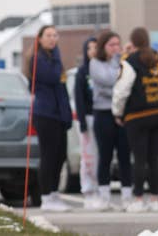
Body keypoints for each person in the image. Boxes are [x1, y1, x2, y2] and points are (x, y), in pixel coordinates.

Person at [112, 27, 158, 213]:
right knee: (154, 158)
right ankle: (154, 198)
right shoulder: (157, 59)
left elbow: (122, 90)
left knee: (139, 158)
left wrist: (117, 113)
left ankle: (137, 199)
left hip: (137, 115)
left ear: (133, 42)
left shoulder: (129, 62)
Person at [24, 25, 72, 212]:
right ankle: (46, 197)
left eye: (55, 35)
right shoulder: (38, 59)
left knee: (60, 156)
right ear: (40, 39)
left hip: (59, 115)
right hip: (45, 114)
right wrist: (58, 58)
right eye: (48, 35)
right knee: (49, 156)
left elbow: (62, 86)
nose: (52, 39)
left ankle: (54, 194)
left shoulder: (54, 58)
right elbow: (52, 77)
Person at [90, 31, 133, 210]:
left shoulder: (123, 61)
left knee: (124, 155)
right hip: (103, 113)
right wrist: (119, 83)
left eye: (118, 44)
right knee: (105, 156)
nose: (115, 48)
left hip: (122, 113)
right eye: (111, 45)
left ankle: (127, 196)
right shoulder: (95, 62)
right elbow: (110, 80)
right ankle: (104, 196)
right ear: (103, 46)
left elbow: (127, 81)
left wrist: (120, 63)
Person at [74, 36, 99, 208]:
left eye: (96, 48)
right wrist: (82, 121)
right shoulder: (82, 72)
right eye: (90, 48)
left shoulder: (104, 69)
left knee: (101, 157)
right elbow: (79, 99)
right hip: (88, 118)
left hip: (102, 117)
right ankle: (88, 190)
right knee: (88, 157)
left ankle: (99, 190)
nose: (94, 51)